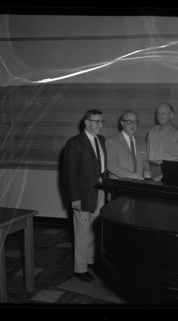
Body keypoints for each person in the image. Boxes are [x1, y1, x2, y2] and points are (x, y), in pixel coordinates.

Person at [63, 109, 107, 283]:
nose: (99, 125)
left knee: (94, 228)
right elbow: (70, 174)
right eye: (96, 121)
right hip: (82, 194)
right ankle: (80, 268)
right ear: (86, 122)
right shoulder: (74, 143)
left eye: (101, 121)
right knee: (82, 231)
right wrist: (75, 198)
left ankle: (90, 261)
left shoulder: (101, 140)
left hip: (100, 191)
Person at [106, 110, 151, 180]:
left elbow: (145, 161)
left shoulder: (141, 141)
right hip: (119, 185)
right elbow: (111, 165)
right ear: (122, 123)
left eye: (135, 122)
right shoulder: (111, 141)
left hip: (139, 184)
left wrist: (146, 170)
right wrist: (132, 175)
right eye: (129, 122)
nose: (133, 125)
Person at [146, 103, 178, 179]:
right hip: (150, 169)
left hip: (167, 171)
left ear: (171, 115)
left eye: (163, 114)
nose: (159, 116)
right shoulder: (151, 131)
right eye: (158, 114)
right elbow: (146, 152)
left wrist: (165, 175)